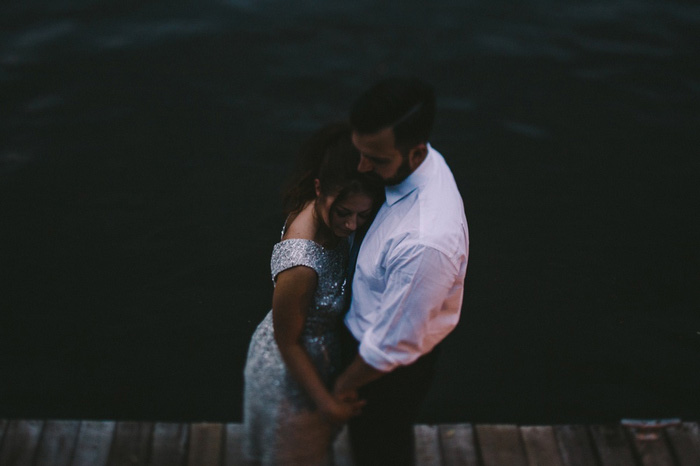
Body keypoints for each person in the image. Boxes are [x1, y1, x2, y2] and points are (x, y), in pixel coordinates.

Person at [333, 78, 470, 465]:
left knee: (379, 445)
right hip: (380, 335)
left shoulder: (425, 244)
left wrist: (341, 387)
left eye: (375, 159)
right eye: (361, 152)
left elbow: (388, 348)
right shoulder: (422, 160)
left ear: (415, 152)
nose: (362, 167)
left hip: (386, 371)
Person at [242, 122, 384, 465]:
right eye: (344, 213)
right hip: (289, 379)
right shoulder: (302, 263)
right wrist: (328, 404)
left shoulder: (330, 202)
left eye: (362, 215)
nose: (351, 225)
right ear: (320, 189)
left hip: (320, 358)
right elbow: (287, 340)